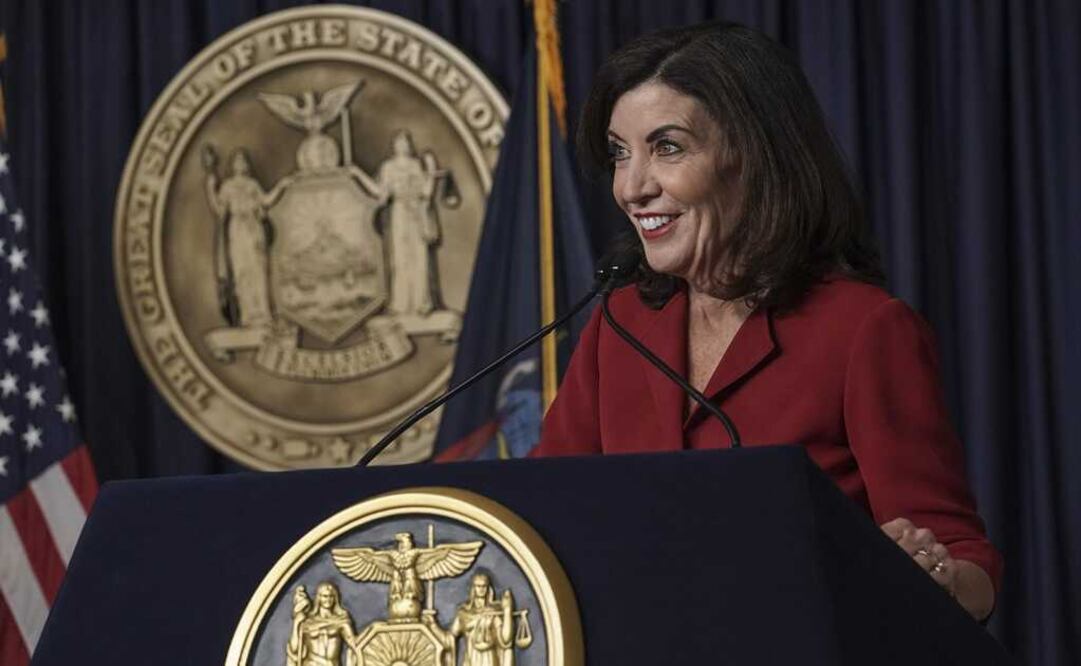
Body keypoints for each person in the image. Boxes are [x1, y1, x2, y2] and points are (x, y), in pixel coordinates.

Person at [533, 21, 1000, 621]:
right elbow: (545, 512)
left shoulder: (862, 329)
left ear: (753, 155)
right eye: (621, 154)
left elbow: (963, 559)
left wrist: (930, 575)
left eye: (667, 147)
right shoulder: (619, 325)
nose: (632, 187)